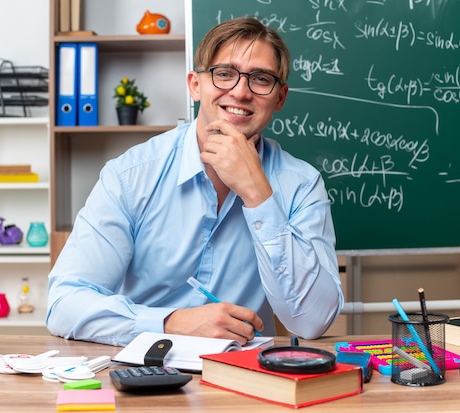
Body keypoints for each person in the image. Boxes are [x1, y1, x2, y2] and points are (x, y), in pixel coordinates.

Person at [46, 17, 344, 347]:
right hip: (144, 373)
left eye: (261, 79)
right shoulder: (130, 175)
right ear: (195, 85)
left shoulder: (301, 184)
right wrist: (170, 322)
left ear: (280, 97)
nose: (241, 92)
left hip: (244, 378)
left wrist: (258, 195)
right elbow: (64, 303)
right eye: (225, 74)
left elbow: (312, 321)